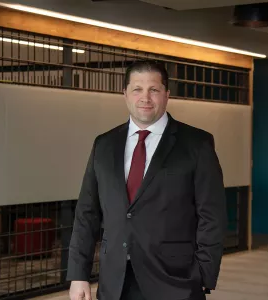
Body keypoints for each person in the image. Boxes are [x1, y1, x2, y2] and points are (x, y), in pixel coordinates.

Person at [67, 60, 227, 300]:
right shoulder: (104, 144)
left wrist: (203, 273)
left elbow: (212, 215)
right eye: (137, 89)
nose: (145, 97)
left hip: (175, 282)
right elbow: (86, 213)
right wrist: (79, 274)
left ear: (167, 95)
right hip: (115, 282)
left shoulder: (197, 144)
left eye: (154, 89)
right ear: (125, 94)